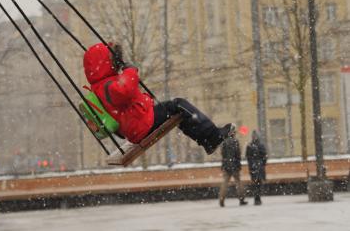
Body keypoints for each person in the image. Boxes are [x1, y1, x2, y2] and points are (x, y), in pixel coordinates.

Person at [83, 43, 236, 154]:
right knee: (179, 105)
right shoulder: (106, 86)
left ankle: (207, 140)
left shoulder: (100, 85)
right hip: (141, 124)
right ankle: (212, 136)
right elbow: (126, 90)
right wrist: (130, 70)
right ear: (103, 63)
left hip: (138, 123)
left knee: (178, 115)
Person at [219, 129, 247, 207]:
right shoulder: (235, 141)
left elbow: (222, 154)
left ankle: (221, 200)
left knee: (225, 183)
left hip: (226, 165)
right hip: (235, 165)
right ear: (233, 134)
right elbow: (238, 154)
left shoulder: (224, 142)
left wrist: (225, 163)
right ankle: (241, 199)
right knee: (238, 182)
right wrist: (238, 164)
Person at [246, 130, 268, 205]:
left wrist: (251, 165)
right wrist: (262, 164)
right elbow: (264, 156)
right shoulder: (261, 145)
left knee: (255, 183)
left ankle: (256, 198)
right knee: (259, 183)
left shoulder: (249, 145)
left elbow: (248, 157)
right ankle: (258, 198)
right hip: (259, 167)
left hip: (253, 167)